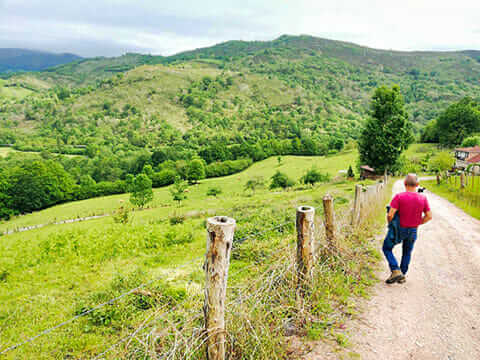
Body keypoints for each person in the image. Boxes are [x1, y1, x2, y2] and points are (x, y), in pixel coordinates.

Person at [383, 174, 432, 284]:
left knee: (386, 248)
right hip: (413, 230)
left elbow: (390, 214)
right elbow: (429, 216)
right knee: (407, 252)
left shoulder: (399, 197)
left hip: (399, 229)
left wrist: (390, 224)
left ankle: (395, 270)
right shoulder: (423, 198)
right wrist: (418, 222)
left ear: (405, 184)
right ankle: (402, 275)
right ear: (417, 185)